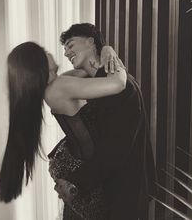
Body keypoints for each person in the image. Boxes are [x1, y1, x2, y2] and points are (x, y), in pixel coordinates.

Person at [0, 40, 126, 218]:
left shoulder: (56, 84)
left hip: (79, 167)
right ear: (38, 63)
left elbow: (89, 69)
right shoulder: (59, 87)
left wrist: (107, 50)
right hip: (83, 171)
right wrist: (114, 57)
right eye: (44, 52)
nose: (51, 54)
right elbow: (118, 84)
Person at [55, 23, 156, 220]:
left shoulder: (120, 86)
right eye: (65, 49)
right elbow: (56, 81)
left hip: (122, 190)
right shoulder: (100, 83)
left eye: (70, 45)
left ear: (90, 41)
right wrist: (107, 49)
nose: (66, 53)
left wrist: (75, 182)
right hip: (107, 185)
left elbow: (117, 146)